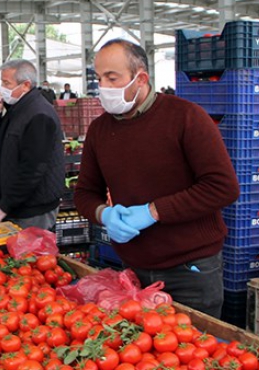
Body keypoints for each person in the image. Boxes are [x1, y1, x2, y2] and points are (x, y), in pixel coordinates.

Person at [73, 39, 240, 318]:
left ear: (141, 78)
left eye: (112, 78)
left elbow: (222, 187)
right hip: (133, 268)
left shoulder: (186, 117)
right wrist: (104, 214)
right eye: (99, 78)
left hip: (191, 270)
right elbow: (84, 193)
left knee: (193, 353)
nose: (103, 87)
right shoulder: (100, 130)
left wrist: (154, 212)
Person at [0, 59, 65, 230]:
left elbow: (33, 168)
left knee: (31, 253)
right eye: (1, 82)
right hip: (18, 203)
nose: (1, 88)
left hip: (33, 209)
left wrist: (5, 205)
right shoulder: (17, 108)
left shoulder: (39, 115)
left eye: (6, 83)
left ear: (26, 85)